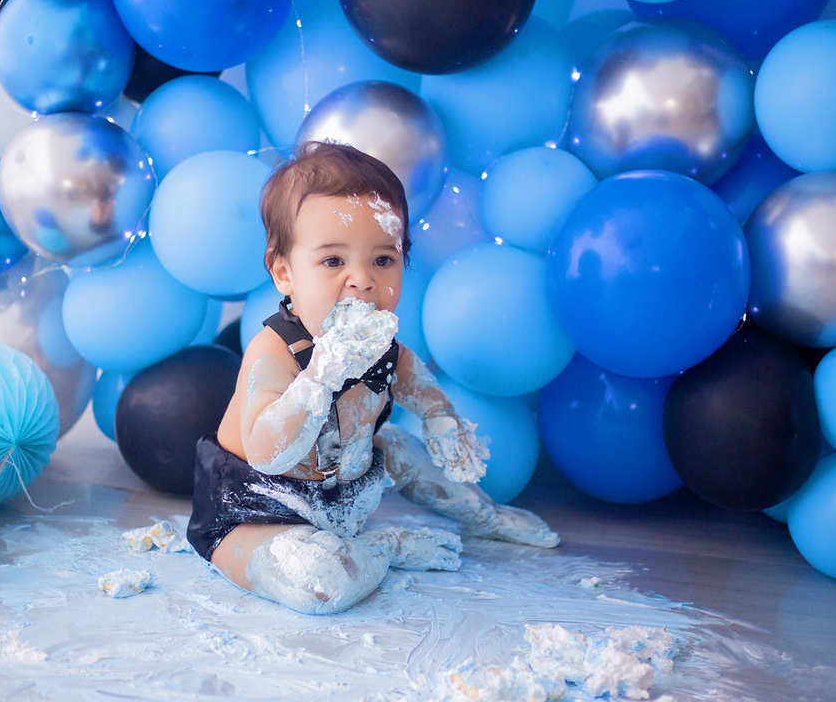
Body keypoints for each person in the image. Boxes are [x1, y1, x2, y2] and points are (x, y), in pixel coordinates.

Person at [187, 141, 559, 615]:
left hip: (344, 494)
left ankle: (482, 514)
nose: (362, 280)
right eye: (333, 261)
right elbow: (266, 451)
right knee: (321, 587)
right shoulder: (277, 351)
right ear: (284, 273)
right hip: (258, 510)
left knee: (399, 446)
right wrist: (320, 377)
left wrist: (441, 419)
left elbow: (418, 387)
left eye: (383, 260)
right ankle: (385, 548)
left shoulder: (382, 349)